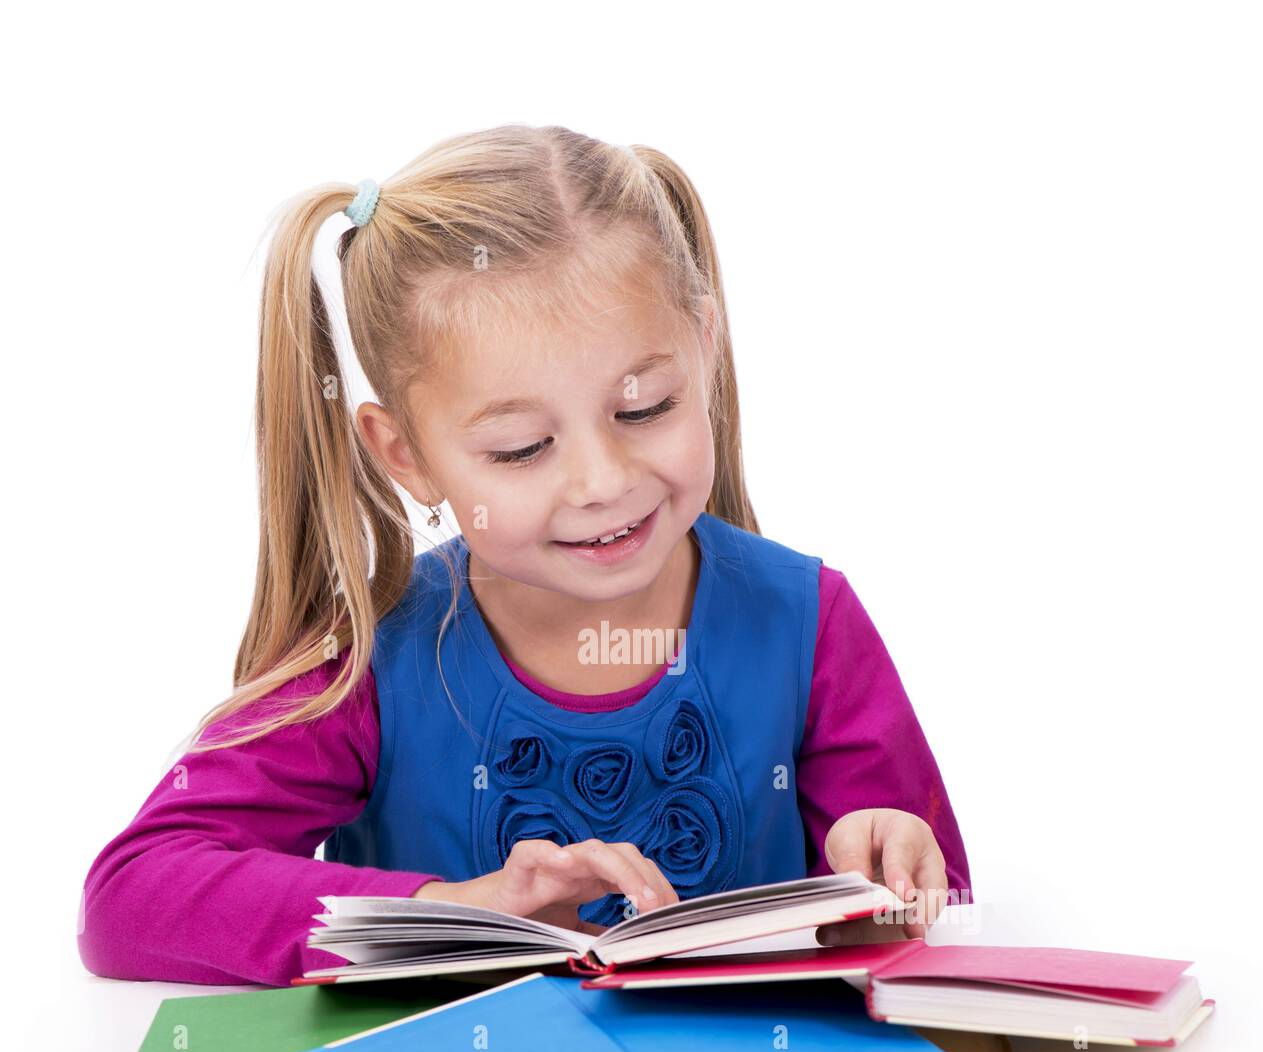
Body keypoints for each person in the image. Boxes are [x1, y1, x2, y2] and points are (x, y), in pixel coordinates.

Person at [80, 124, 971, 988]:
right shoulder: (372, 659)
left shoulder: (808, 622)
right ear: (407, 456)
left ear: (706, 348)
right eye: (519, 449)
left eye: (644, 407)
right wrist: (457, 908)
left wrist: (894, 858)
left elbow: (934, 905)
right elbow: (132, 895)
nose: (599, 481)